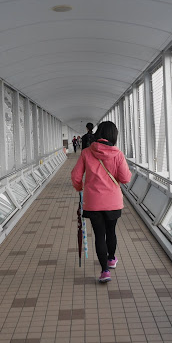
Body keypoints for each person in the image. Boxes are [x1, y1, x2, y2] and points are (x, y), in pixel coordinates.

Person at [71, 121, 132, 283]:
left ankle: (105, 271)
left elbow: (76, 177)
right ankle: (111, 259)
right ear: (114, 135)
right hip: (113, 201)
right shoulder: (118, 154)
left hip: (93, 202)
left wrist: (79, 188)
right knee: (111, 232)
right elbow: (125, 178)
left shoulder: (86, 152)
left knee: (99, 234)